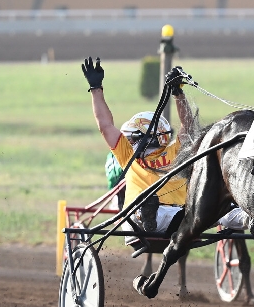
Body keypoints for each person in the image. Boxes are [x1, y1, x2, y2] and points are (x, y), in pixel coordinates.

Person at [81, 57, 194, 246]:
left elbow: (188, 125)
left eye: (132, 138)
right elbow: (105, 125)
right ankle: (147, 213)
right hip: (137, 222)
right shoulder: (127, 154)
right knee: (148, 203)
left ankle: (248, 217)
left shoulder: (175, 150)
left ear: (148, 137)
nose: (128, 141)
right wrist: (96, 89)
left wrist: (177, 92)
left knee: (214, 205)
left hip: (176, 219)